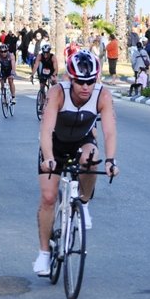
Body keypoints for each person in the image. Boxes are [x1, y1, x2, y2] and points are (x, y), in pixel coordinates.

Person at [33, 51, 119, 276]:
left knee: (92, 157)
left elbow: (109, 132)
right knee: (48, 198)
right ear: (71, 79)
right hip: (55, 144)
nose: (86, 87)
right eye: (80, 82)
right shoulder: (57, 93)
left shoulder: (103, 95)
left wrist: (111, 161)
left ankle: (84, 203)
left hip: (82, 141)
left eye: (90, 81)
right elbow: (46, 130)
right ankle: (44, 254)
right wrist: (48, 158)